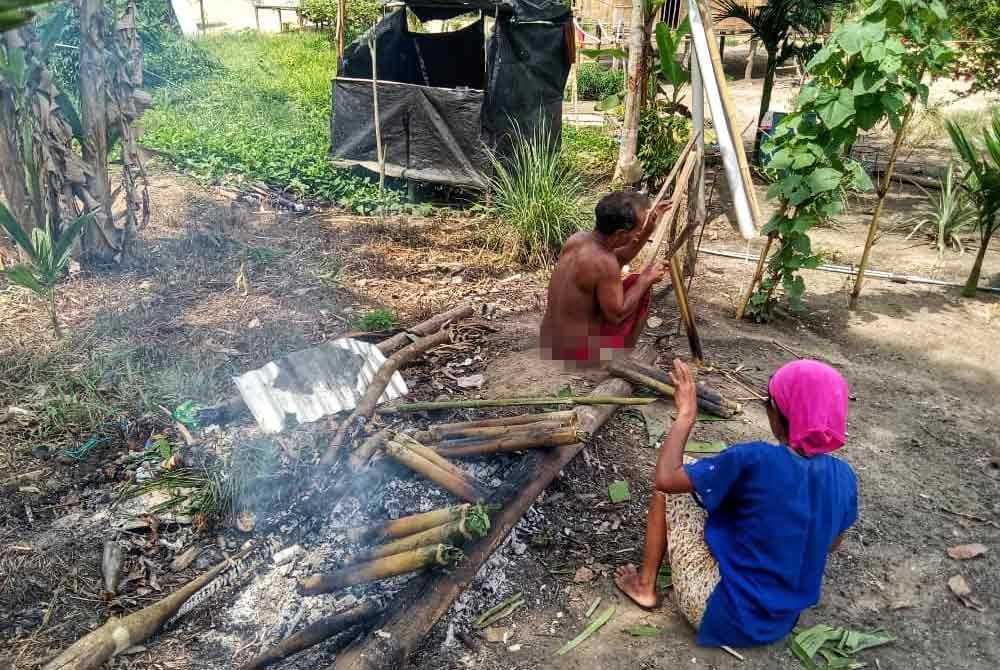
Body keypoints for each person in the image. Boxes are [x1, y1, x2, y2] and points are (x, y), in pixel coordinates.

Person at [615, 358, 858, 648]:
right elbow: (831, 543)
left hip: (718, 610)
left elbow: (666, 477)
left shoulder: (755, 459)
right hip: (780, 621)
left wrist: (686, 414)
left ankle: (645, 587)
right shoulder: (844, 477)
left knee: (673, 490)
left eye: (769, 401)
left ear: (776, 414)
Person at [539, 191, 671, 363]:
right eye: (637, 231)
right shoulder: (605, 261)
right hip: (573, 353)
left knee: (632, 282)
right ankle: (619, 356)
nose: (637, 235)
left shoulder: (578, 239)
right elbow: (617, 315)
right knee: (639, 286)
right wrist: (646, 280)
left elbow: (621, 257)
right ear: (620, 234)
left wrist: (647, 231)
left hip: (549, 341)